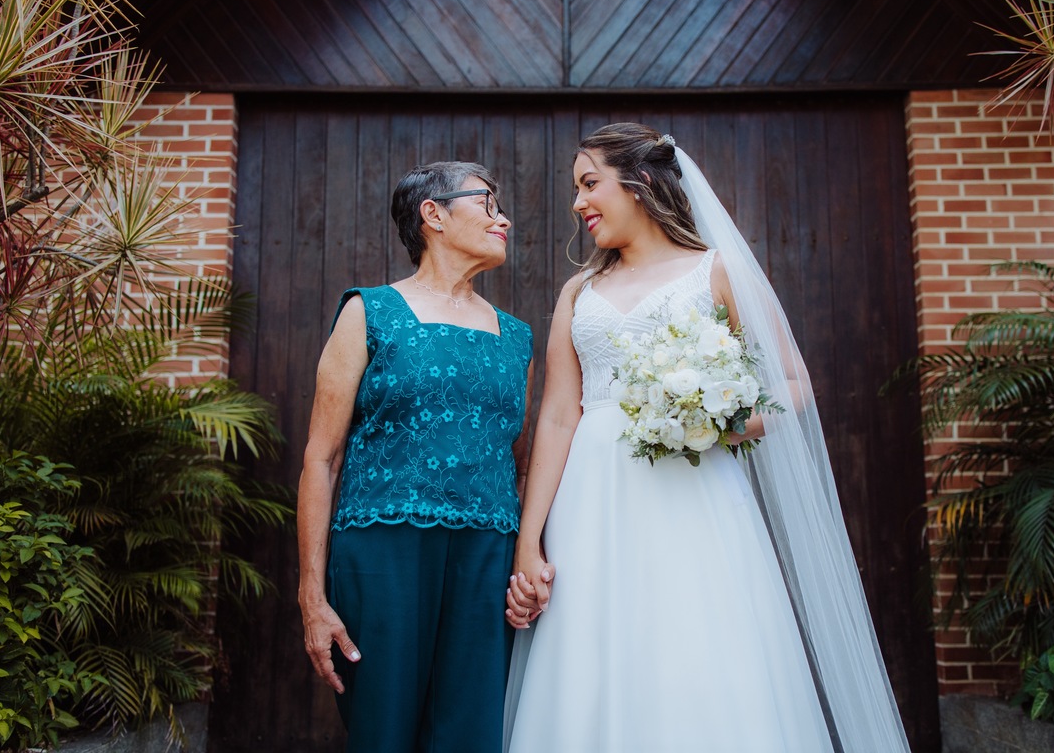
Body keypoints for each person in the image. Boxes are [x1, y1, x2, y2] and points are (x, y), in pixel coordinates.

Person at [502, 124, 911, 752]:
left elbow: (794, 382)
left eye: (590, 184)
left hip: (694, 496)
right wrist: (529, 542)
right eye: (576, 189)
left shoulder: (715, 272)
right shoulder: (578, 291)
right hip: (592, 504)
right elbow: (559, 414)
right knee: (591, 650)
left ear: (638, 183)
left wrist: (712, 424)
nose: (578, 203)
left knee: (694, 644)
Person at [296, 161, 534, 753]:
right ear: (433, 214)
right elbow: (320, 460)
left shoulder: (519, 337)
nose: (502, 218)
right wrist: (311, 596)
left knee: (472, 734)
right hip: (381, 556)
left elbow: (522, 463)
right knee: (384, 731)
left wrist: (527, 558)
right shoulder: (368, 312)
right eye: (486, 202)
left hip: (488, 559)